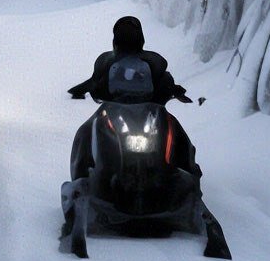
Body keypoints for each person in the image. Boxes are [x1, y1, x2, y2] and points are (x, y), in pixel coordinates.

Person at [67, 15, 199, 181]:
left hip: (148, 111)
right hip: (115, 110)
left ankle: (189, 174)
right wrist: (84, 89)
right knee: (87, 131)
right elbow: (96, 81)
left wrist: (173, 90)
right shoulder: (108, 62)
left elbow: (164, 79)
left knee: (173, 128)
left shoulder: (152, 63)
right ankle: (82, 179)